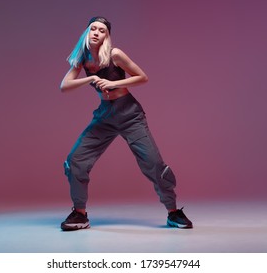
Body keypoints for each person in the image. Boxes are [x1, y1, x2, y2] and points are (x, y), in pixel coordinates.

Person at [59, 16, 193, 231]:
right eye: (93, 29)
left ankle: (173, 211)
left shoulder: (115, 54)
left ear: (107, 36)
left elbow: (142, 77)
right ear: (86, 33)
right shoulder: (82, 58)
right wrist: (90, 79)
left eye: (101, 30)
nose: (96, 33)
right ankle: (79, 214)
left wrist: (114, 82)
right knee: (75, 160)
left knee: (153, 164)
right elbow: (64, 86)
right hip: (104, 116)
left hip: (129, 113)